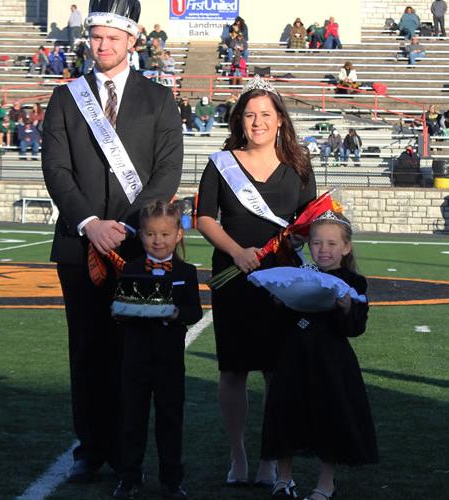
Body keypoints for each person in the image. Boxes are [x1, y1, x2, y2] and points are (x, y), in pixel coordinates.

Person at [41, 0, 183, 484]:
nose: (103, 45)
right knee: (86, 350)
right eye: (96, 37)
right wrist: (89, 222)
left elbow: (167, 170)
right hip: (79, 244)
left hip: (140, 246)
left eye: (113, 38)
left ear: (132, 41)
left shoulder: (158, 98)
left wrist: (125, 226)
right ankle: (91, 448)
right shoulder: (67, 97)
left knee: (134, 354)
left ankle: (130, 455)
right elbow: (56, 170)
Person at [196, 75, 316, 488]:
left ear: (280, 119)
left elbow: (307, 219)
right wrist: (236, 251)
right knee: (233, 370)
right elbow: (205, 218)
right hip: (234, 278)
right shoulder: (220, 163)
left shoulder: (299, 165)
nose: (258, 121)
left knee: (277, 372)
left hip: (282, 282)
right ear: (240, 121)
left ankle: (272, 457)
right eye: (250, 114)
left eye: (266, 114)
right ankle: (239, 455)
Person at [262, 211, 378, 500]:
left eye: (331, 243)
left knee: (330, 417)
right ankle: (283, 479)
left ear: (346, 247)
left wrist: (347, 307)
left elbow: (354, 329)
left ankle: (326, 483)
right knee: (285, 414)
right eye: (316, 243)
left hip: (330, 360)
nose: (323, 250)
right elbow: (279, 324)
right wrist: (279, 301)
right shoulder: (298, 274)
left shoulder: (355, 282)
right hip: (292, 356)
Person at [113, 200, 202, 500]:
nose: (158, 240)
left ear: (178, 234)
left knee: (170, 420)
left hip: (169, 361)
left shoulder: (187, 271)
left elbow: (195, 311)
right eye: (151, 234)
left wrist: (175, 313)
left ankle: (172, 480)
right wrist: (123, 310)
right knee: (132, 420)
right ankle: (128, 478)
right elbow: (118, 307)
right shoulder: (131, 268)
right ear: (141, 236)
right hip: (135, 359)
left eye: (165, 234)